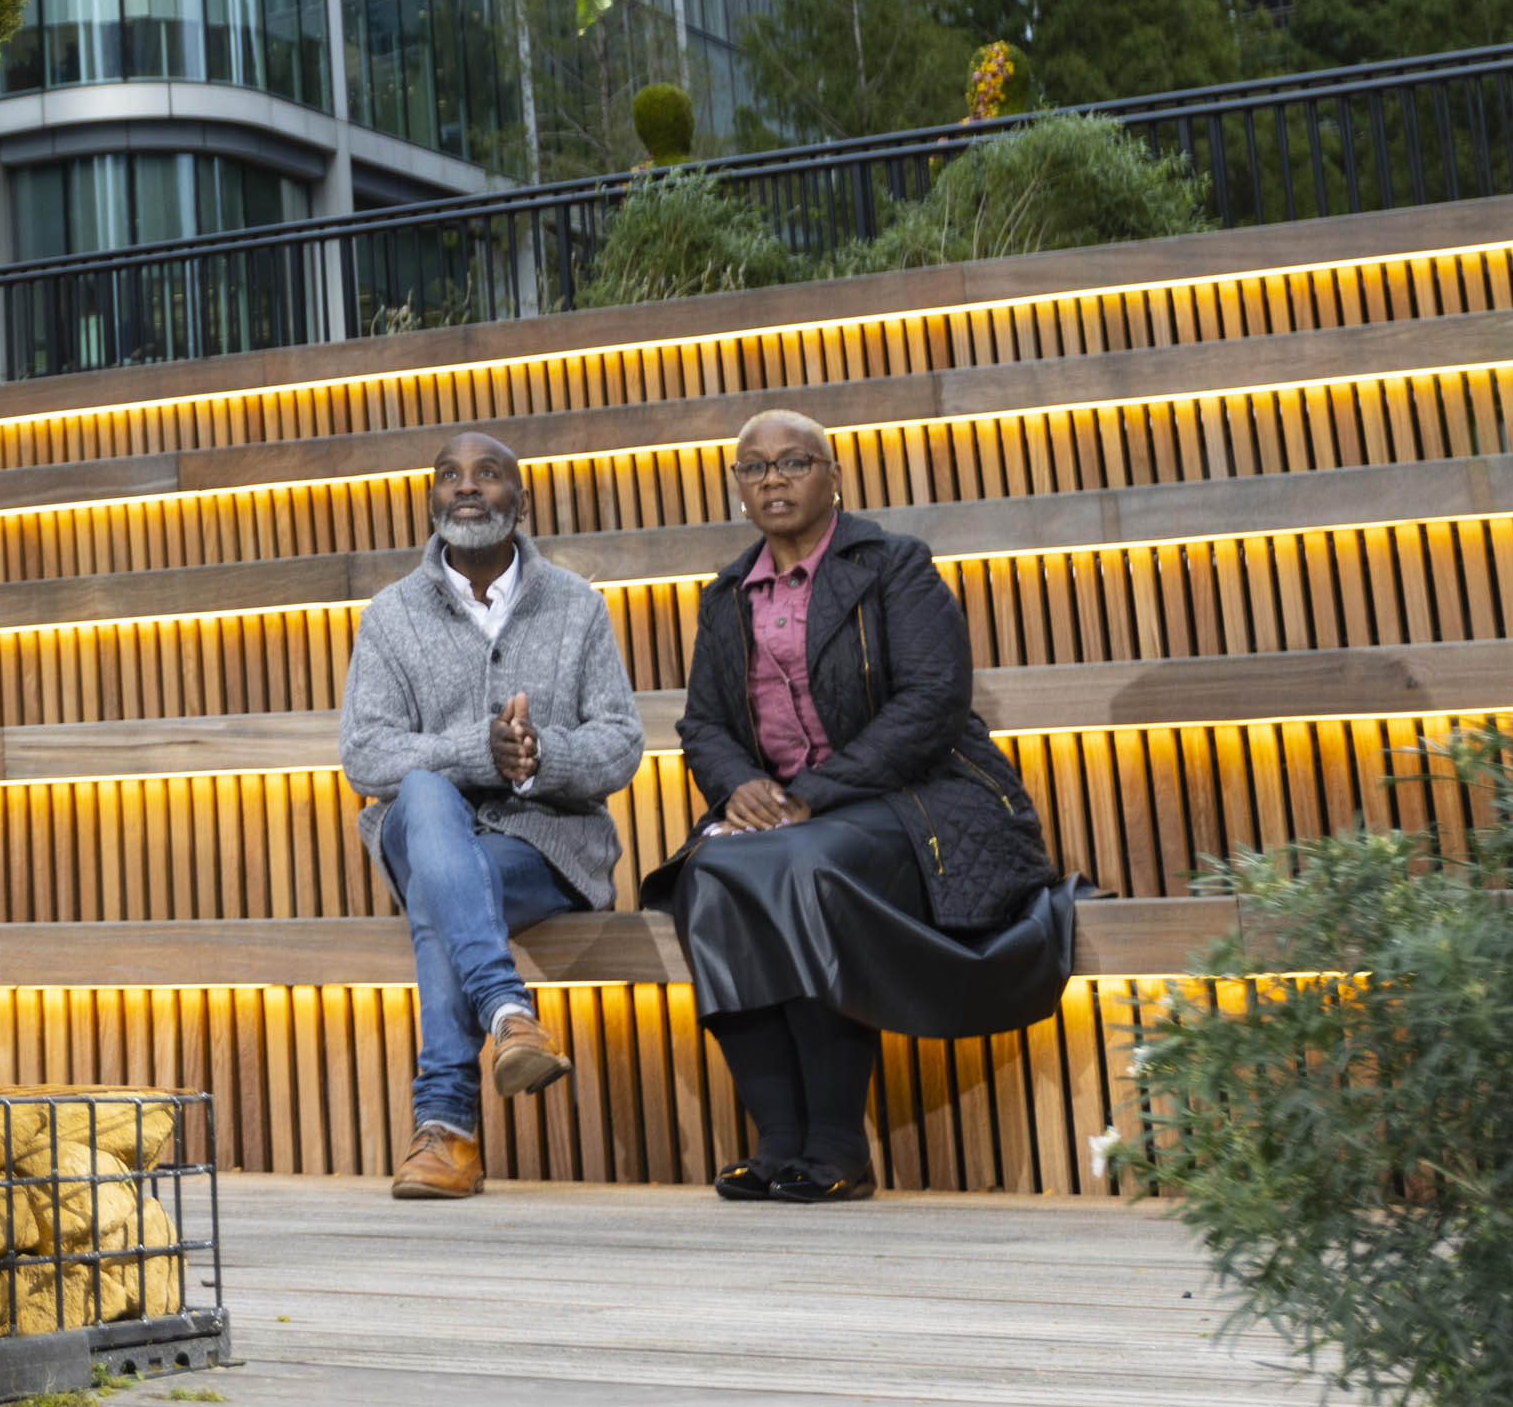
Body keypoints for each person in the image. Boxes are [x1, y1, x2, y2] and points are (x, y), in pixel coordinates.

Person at [654, 409, 1068, 1205]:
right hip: (780, 816)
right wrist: (740, 788)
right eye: (754, 468)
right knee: (704, 877)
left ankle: (838, 1143)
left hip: (919, 799)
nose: (772, 478)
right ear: (738, 490)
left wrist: (811, 795)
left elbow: (931, 703)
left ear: (833, 476)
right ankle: (778, 1138)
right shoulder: (724, 596)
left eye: (794, 462)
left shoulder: (893, 565)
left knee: (802, 870)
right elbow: (703, 722)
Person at [339, 431, 647, 1201]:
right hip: (420, 832)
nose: (466, 487)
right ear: (432, 502)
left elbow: (620, 743)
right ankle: (508, 1010)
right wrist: (479, 752)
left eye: (489, 474)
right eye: (449, 476)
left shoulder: (577, 606)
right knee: (425, 793)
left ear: (523, 500)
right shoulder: (390, 615)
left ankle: (446, 1130)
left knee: (449, 899)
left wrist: (541, 760)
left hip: (544, 847)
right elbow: (366, 756)